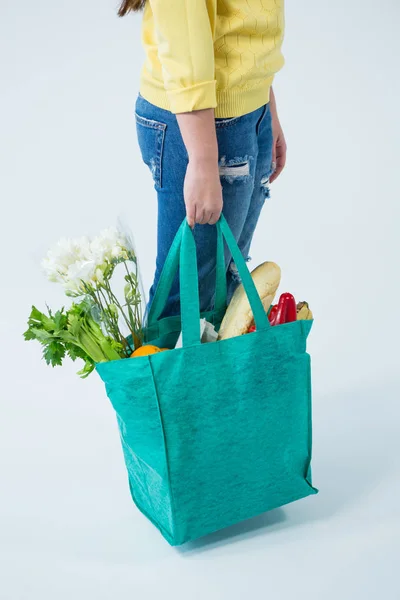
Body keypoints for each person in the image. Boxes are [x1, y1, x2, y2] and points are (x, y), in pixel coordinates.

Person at [119, 0, 286, 317]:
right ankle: (167, 368)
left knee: (226, 289)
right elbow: (186, 49)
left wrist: (266, 108)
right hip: (202, 124)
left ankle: (212, 369)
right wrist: (203, 159)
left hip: (248, 112)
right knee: (186, 301)